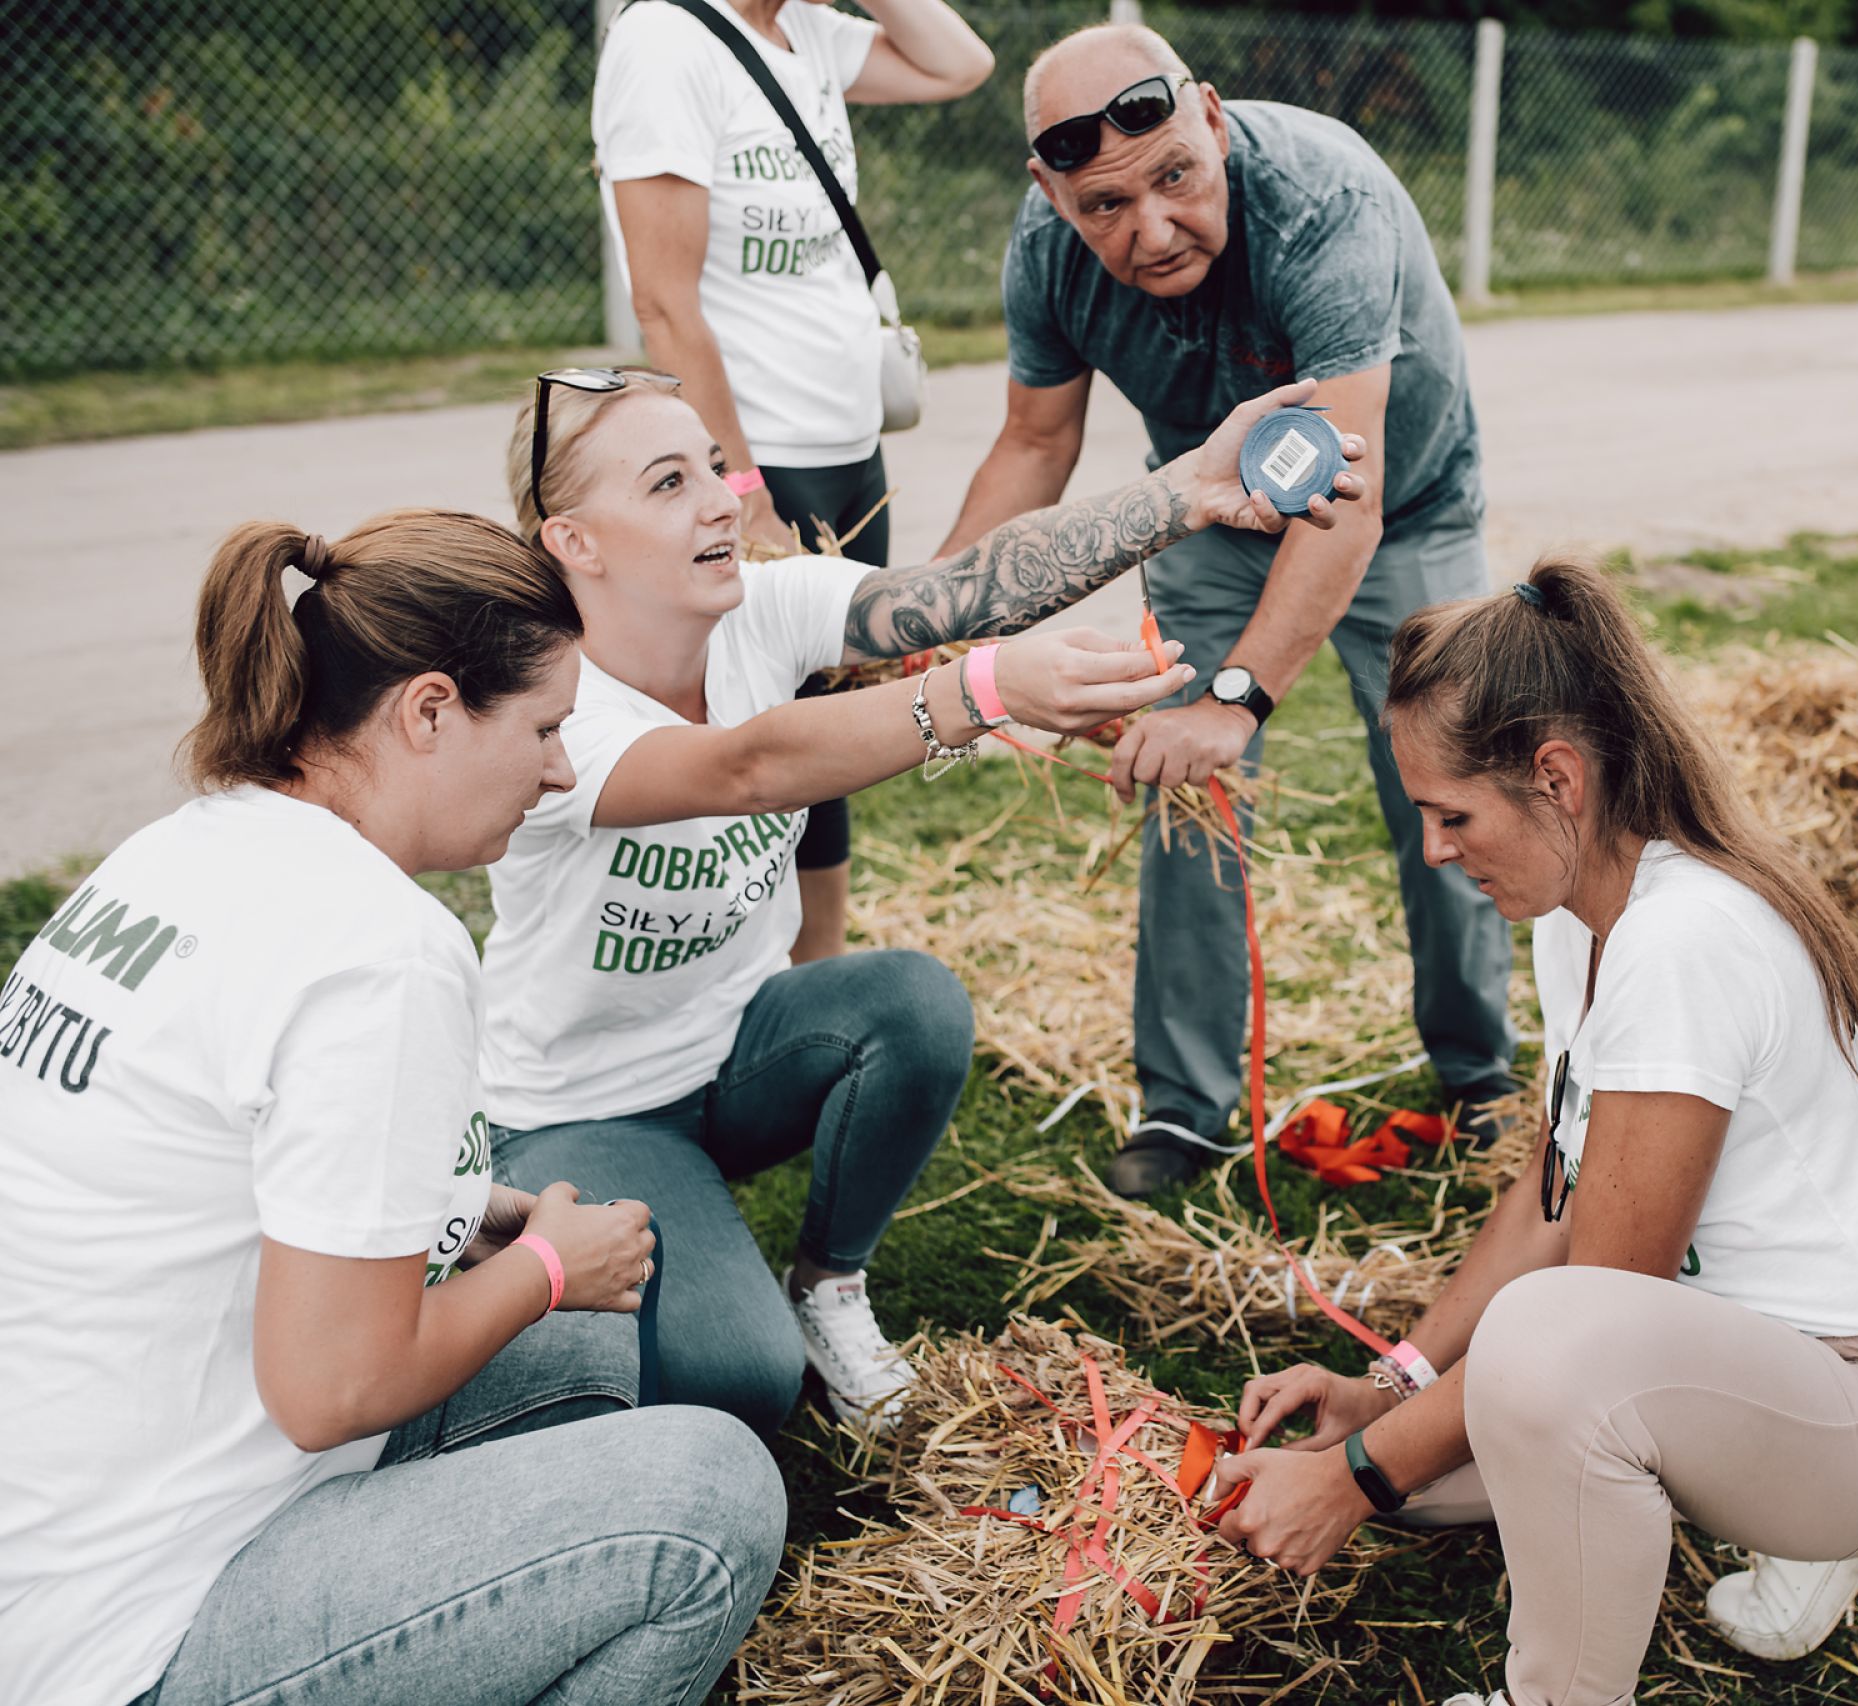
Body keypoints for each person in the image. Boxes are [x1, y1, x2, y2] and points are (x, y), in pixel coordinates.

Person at [484, 367, 1367, 1437]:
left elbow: (964, 592)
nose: (724, 499)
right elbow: (746, 769)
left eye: (714, 466)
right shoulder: (546, 707)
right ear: (574, 543)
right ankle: (572, 1241)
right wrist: (985, 692)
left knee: (911, 1001)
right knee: (744, 1381)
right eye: (670, 483)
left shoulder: (758, 607)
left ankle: (828, 1285)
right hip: (589, 1106)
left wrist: (1186, 487)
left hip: (734, 1055)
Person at [0, 511, 785, 1706]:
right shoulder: (378, 948)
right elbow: (331, 1391)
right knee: (706, 1494)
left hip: (66, 1525)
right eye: (543, 727)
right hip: (135, 1628)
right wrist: (549, 1268)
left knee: (574, 1352)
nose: (562, 770)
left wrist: (459, 1211)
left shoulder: (179, 852)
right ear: (427, 711)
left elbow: (191, 1175)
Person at [1210, 559, 1858, 1701]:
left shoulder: (1680, 939)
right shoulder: (1584, 907)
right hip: (1730, 1366)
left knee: (1522, 1378)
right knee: (1442, 1451)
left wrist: (1354, 1479)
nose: (1435, 851)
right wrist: (1393, 1387)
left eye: (1449, 813)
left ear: (1554, 776)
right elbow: (1552, 1188)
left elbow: (1593, 1310)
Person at [937, 22, 1518, 1197]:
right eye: (1102, 205)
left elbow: (1342, 498)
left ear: (1208, 116)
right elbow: (1033, 442)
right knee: (1181, 781)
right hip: (1212, 510)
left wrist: (1240, 697)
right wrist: (931, 616)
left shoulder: (1322, 195)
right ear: (1046, 189)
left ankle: (1480, 1072)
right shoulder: (1046, 252)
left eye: (1175, 181)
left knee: (1450, 777)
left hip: (1399, 508)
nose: (1149, 230)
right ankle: (1187, 1109)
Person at [595, 0, 995, 967]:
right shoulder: (665, 40)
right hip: (764, 457)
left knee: (836, 724)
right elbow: (663, 300)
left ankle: (816, 968)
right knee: (774, 732)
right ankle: (757, 978)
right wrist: (734, 482)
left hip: (853, 448)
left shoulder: (807, 31)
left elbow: (960, 64)